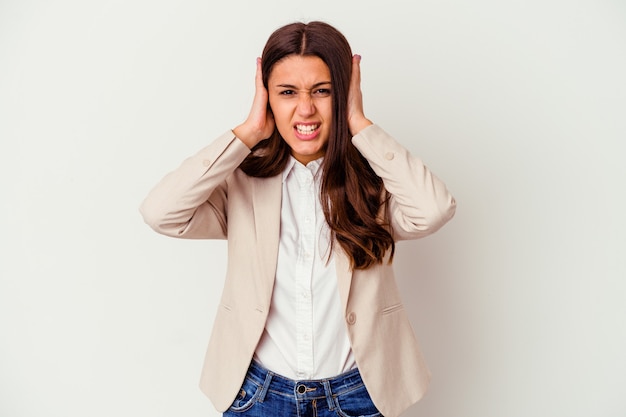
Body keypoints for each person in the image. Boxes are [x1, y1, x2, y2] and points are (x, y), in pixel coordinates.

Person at [140, 21, 456, 417]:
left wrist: (359, 123)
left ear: (343, 93)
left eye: (322, 91)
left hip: (358, 394)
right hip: (258, 395)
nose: (305, 109)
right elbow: (160, 212)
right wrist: (248, 131)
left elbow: (434, 208)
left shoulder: (376, 182)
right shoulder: (240, 181)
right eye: (287, 92)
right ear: (265, 96)